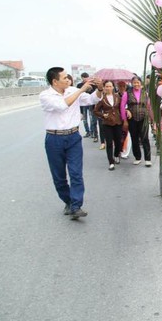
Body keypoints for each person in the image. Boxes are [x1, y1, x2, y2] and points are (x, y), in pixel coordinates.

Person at [39, 67, 103, 220]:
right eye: (64, 77)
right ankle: (68, 201)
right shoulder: (45, 96)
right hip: (54, 139)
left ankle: (76, 205)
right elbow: (62, 105)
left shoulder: (72, 90)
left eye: (68, 77)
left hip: (73, 136)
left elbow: (93, 99)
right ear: (55, 81)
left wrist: (99, 88)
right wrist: (81, 90)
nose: (67, 79)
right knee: (59, 177)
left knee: (76, 173)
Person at [120, 75, 153, 166]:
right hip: (132, 119)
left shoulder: (145, 93)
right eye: (134, 82)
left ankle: (148, 159)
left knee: (145, 138)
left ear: (140, 83)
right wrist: (125, 120)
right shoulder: (127, 93)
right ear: (132, 83)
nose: (136, 84)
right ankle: (137, 157)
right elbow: (122, 107)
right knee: (134, 139)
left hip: (143, 119)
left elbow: (149, 106)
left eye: (138, 82)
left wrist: (152, 119)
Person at [93, 81, 123, 171]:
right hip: (107, 123)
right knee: (109, 143)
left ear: (113, 87)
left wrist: (126, 113)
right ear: (104, 88)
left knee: (118, 141)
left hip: (117, 122)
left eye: (110, 86)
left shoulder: (118, 97)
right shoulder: (102, 99)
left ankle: (116, 154)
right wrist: (103, 115)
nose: (108, 88)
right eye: (106, 86)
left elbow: (122, 107)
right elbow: (95, 111)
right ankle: (111, 162)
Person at [77, 72, 99, 141]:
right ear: (82, 78)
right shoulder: (79, 85)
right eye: (84, 77)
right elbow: (78, 95)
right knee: (85, 119)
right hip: (83, 104)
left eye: (86, 77)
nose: (85, 79)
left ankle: (93, 132)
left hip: (90, 103)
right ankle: (87, 131)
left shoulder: (92, 84)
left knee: (92, 118)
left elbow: (95, 93)